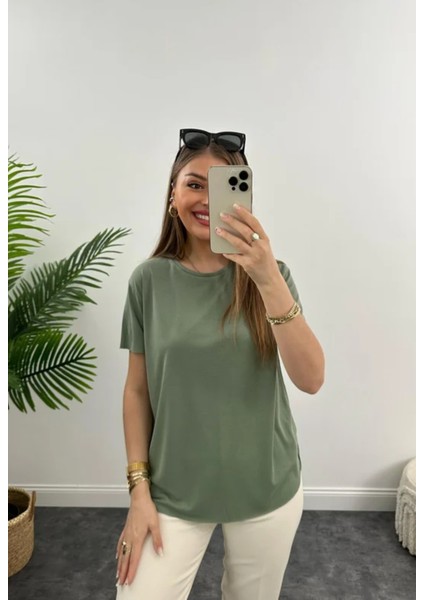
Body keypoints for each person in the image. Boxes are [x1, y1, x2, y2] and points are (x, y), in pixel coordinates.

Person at [115, 128, 325, 600]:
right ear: (173, 194)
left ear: (243, 197)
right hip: (173, 490)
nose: (207, 199)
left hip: (265, 486)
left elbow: (311, 379)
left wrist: (267, 278)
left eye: (223, 185)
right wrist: (138, 492)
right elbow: (136, 391)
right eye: (194, 183)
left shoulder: (273, 276)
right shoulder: (148, 281)